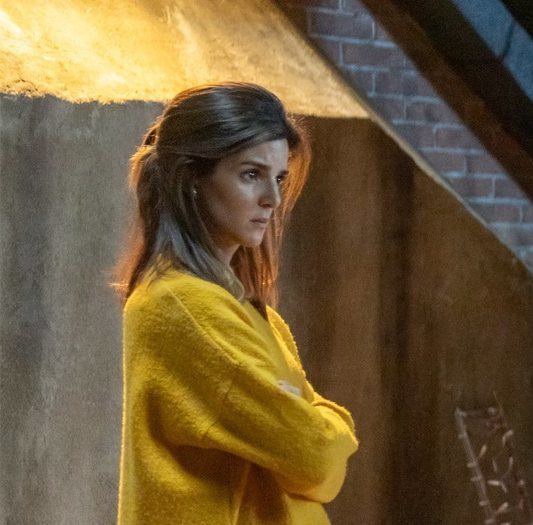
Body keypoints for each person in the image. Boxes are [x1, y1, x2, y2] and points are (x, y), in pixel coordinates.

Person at [115, 82, 358, 524]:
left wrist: (307, 424)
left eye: (279, 178)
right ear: (191, 177)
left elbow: (312, 456)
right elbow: (317, 458)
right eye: (251, 174)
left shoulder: (251, 314)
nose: (273, 199)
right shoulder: (182, 307)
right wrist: (328, 424)